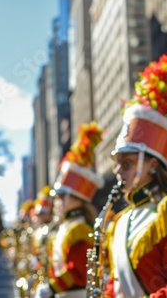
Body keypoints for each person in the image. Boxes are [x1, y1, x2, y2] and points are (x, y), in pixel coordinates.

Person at [103, 53, 167, 297]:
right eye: (118, 164)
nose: (119, 171)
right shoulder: (119, 221)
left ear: (152, 165)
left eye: (128, 163)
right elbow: (115, 285)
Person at [35, 122, 104, 298]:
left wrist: (51, 288)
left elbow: (76, 269)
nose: (57, 201)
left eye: (62, 196)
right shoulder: (67, 227)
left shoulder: (80, 229)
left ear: (78, 199)